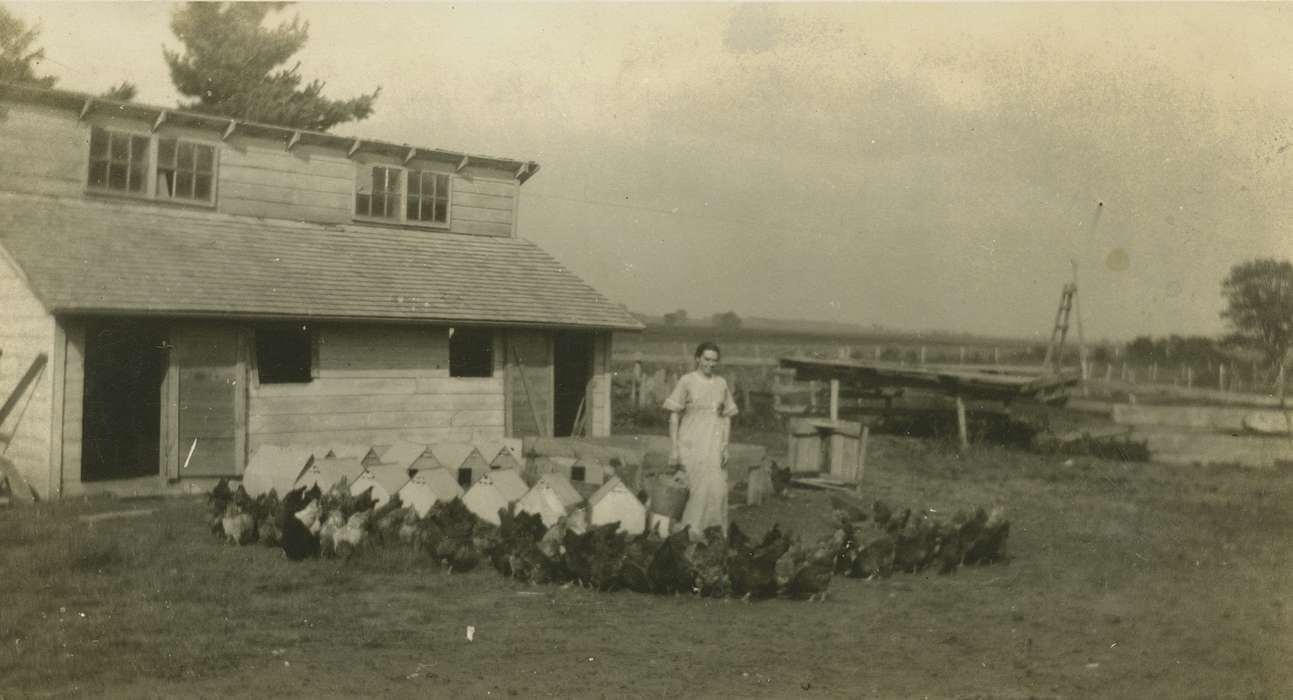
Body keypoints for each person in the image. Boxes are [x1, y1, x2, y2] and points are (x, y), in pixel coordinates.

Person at [664, 341, 739, 537]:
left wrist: (725, 446)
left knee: (717, 488)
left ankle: (712, 532)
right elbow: (673, 416)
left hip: (714, 442)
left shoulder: (721, 383)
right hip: (690, 441)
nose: (710, 364)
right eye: (706, 359)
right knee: (694, 489)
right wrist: (674, 448)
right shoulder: (686, 381)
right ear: (698, 358)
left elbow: (727, 416)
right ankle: (690, 532)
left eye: (714, 360)